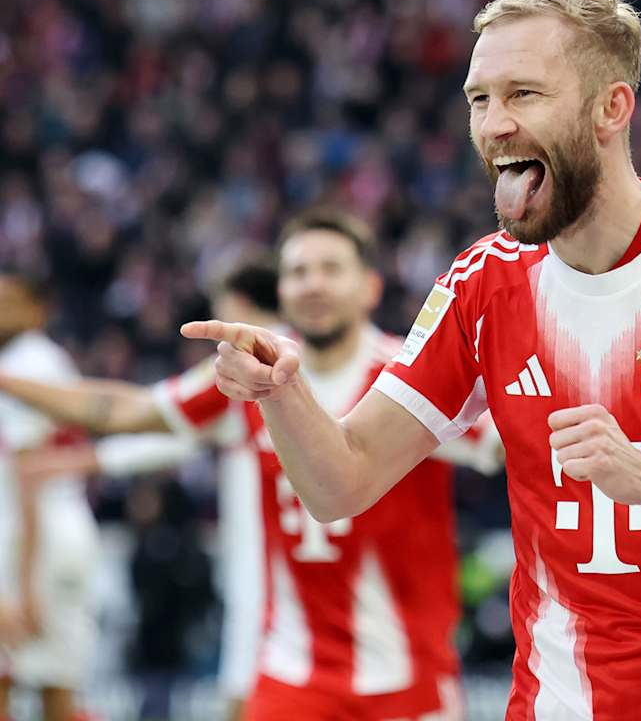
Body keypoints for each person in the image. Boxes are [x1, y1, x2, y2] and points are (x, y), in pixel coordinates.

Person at [183, 0, 641, 721]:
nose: (495, 125)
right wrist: (284, 395)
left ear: (611, 108)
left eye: (524, 95)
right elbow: (342, 483)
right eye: (480, 99)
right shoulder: (483, 281)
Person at [0, 212, 494, 720]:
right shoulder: (248, 374)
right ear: (281, 289)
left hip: (408, 677)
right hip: (290, 674)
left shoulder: (414, 377)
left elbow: (510, 443)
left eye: (331, 268)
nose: (314, 284)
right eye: (299, 272)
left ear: (370, 287)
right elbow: (126, 410)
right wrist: (7, 380)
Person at [17, 256, 282, 721]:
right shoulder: (334, 359)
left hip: (269, 572)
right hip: (314, 569)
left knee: (252, 693)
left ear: (237, 304)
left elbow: (138, 413)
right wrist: (85, 459)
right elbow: (171, 432)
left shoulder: (242, 369)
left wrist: (79, 454)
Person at [0, 270, 98, 721]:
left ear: (38, 309)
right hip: (44, 531)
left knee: (48, 683)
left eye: (8, 300)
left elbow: (29, 471)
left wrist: (20, 582)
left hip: (39, 538)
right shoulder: (35, 358)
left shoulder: (28, 362)